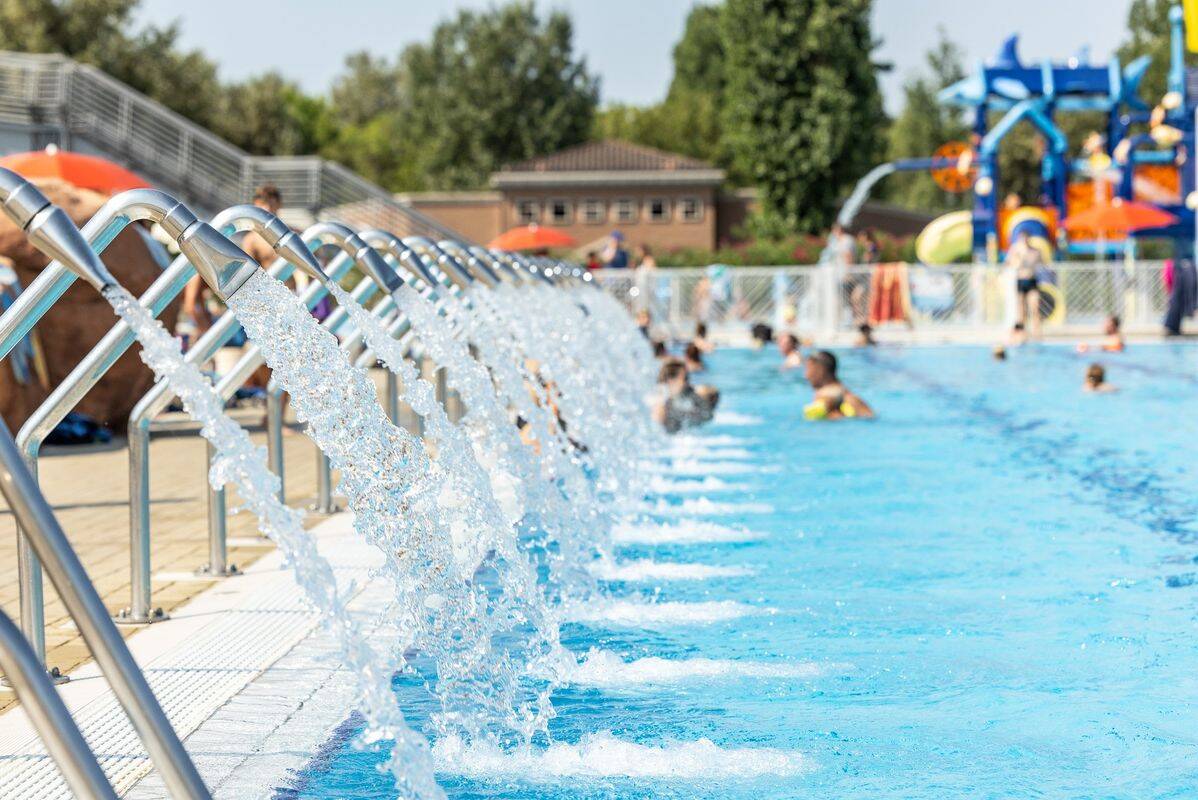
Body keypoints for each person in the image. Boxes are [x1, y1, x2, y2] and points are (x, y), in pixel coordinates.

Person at [803, 350, 873, 419]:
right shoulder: (848, 395)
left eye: (808, 369)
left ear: (821, 370)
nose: (806, 376)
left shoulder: (829, 394)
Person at [652, 359, 719, 434]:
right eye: (685, 378)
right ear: (670, 380)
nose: (688, 383)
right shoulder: (659, 401)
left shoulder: (681, 397)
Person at [1007, 231, 1045, 338]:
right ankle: (1022, 332)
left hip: (1032, 281)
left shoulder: (1035, 252)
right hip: (1020, 281)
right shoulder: (1015, 251)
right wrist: (1018, 254)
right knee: (1021, 309)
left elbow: (1042, 263)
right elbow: (1010, 263)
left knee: (1035, 307)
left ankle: (1037, 331)